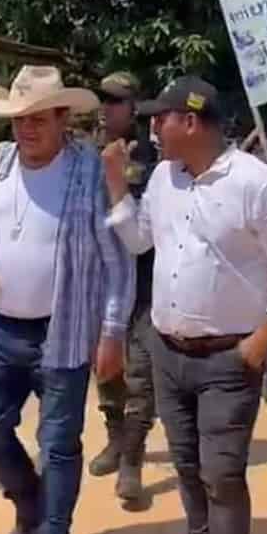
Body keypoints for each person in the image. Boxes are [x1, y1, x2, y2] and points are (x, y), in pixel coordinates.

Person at [102, 76, 267, 534]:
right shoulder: (163, 177)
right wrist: (117, 186)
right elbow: (140, 241)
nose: (153, 128)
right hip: (167, 352)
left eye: (161, 118)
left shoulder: (256, 184)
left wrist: (262, 341)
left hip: (230, 358)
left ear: (191, 121)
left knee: (221, 473)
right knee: (186, 467)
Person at [0, 66, 134, 534]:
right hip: (0, 330)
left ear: (63, 117)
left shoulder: (89, 171)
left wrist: (112, 332)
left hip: (63, 331)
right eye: (19, 119)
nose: (27, 128)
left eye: (39, 119)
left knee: (60, 443)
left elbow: (118, 260)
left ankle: (52, 526)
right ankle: (28, 498)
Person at [87, 71, 160, 508]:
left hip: (147, 278)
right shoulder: (84, 154)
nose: (106, 107)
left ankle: (132, 461)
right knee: (106, 367)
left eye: (115, 100)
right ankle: (116, 439)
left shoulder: (154, 156)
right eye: (102, 99)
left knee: (142, 373)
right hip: (101, 280)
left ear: (134, 107)